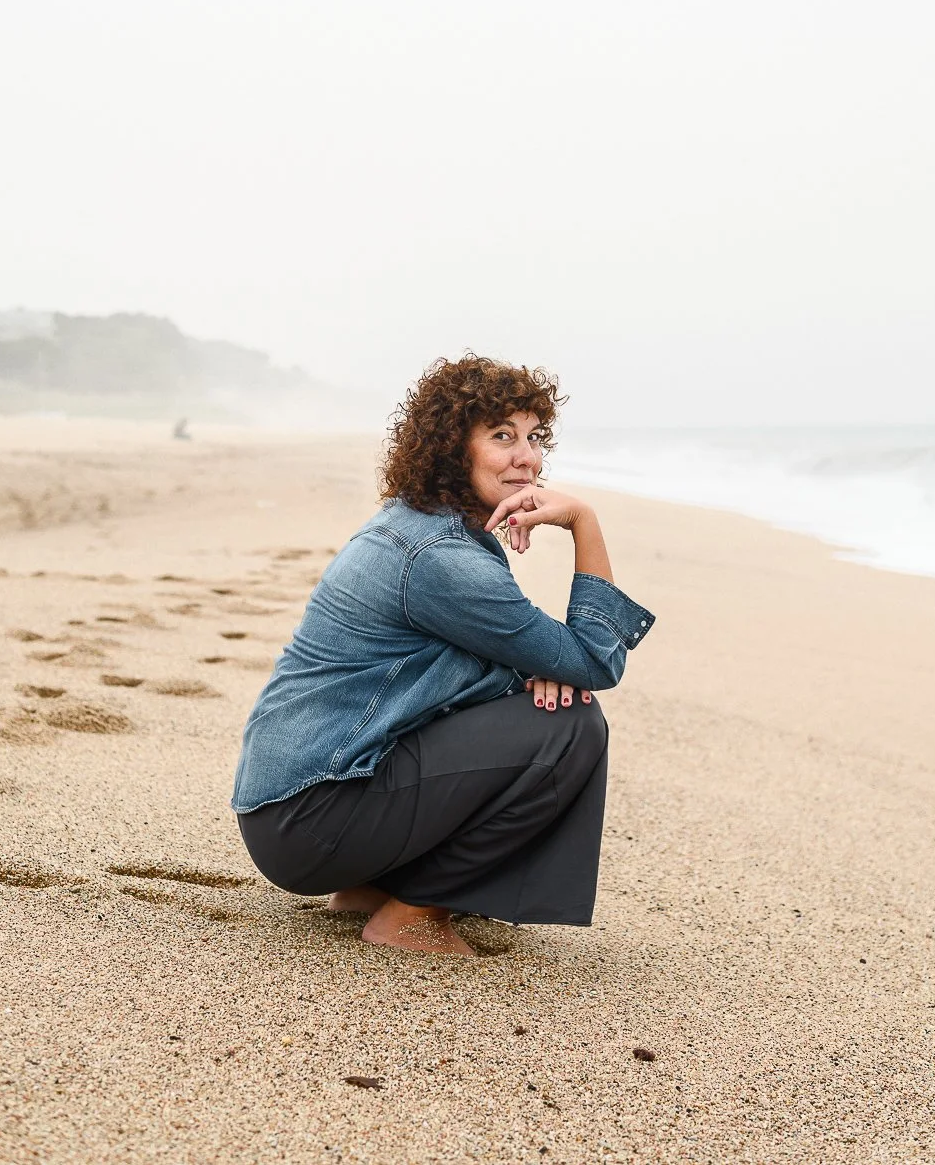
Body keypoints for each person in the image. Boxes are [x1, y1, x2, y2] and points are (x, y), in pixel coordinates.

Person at [232, 355, 655, 956]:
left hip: (291, 808)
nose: (527, 457)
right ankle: (410, 916)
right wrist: (585, 522)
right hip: (312, 819)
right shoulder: (440, 557)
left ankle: (370, 886)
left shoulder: (422, 524)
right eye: (502, 436)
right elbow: (594, 663)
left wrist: (535, 666)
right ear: (451, 446)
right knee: (570, 725)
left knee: (540, 705)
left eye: (535, 438)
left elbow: (460, 669)